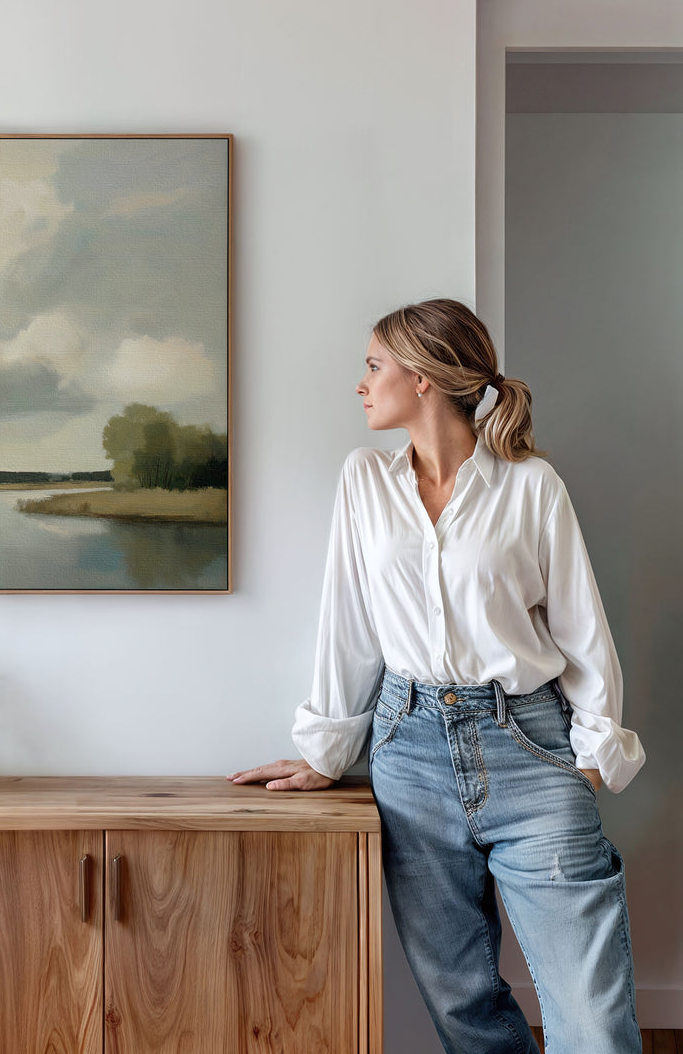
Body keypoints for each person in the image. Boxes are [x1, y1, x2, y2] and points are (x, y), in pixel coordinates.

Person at [229, 299, 645, 1054]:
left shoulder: (531, 486)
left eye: (373, 365)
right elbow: (347, 623)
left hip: (531, 744)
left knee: (591, 1015)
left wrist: (591, 754)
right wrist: (328, 751)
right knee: (463, 1006)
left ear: (422, 379)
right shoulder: (364, 481)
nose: (361, 384)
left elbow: (582, 628)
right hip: (408, 750)